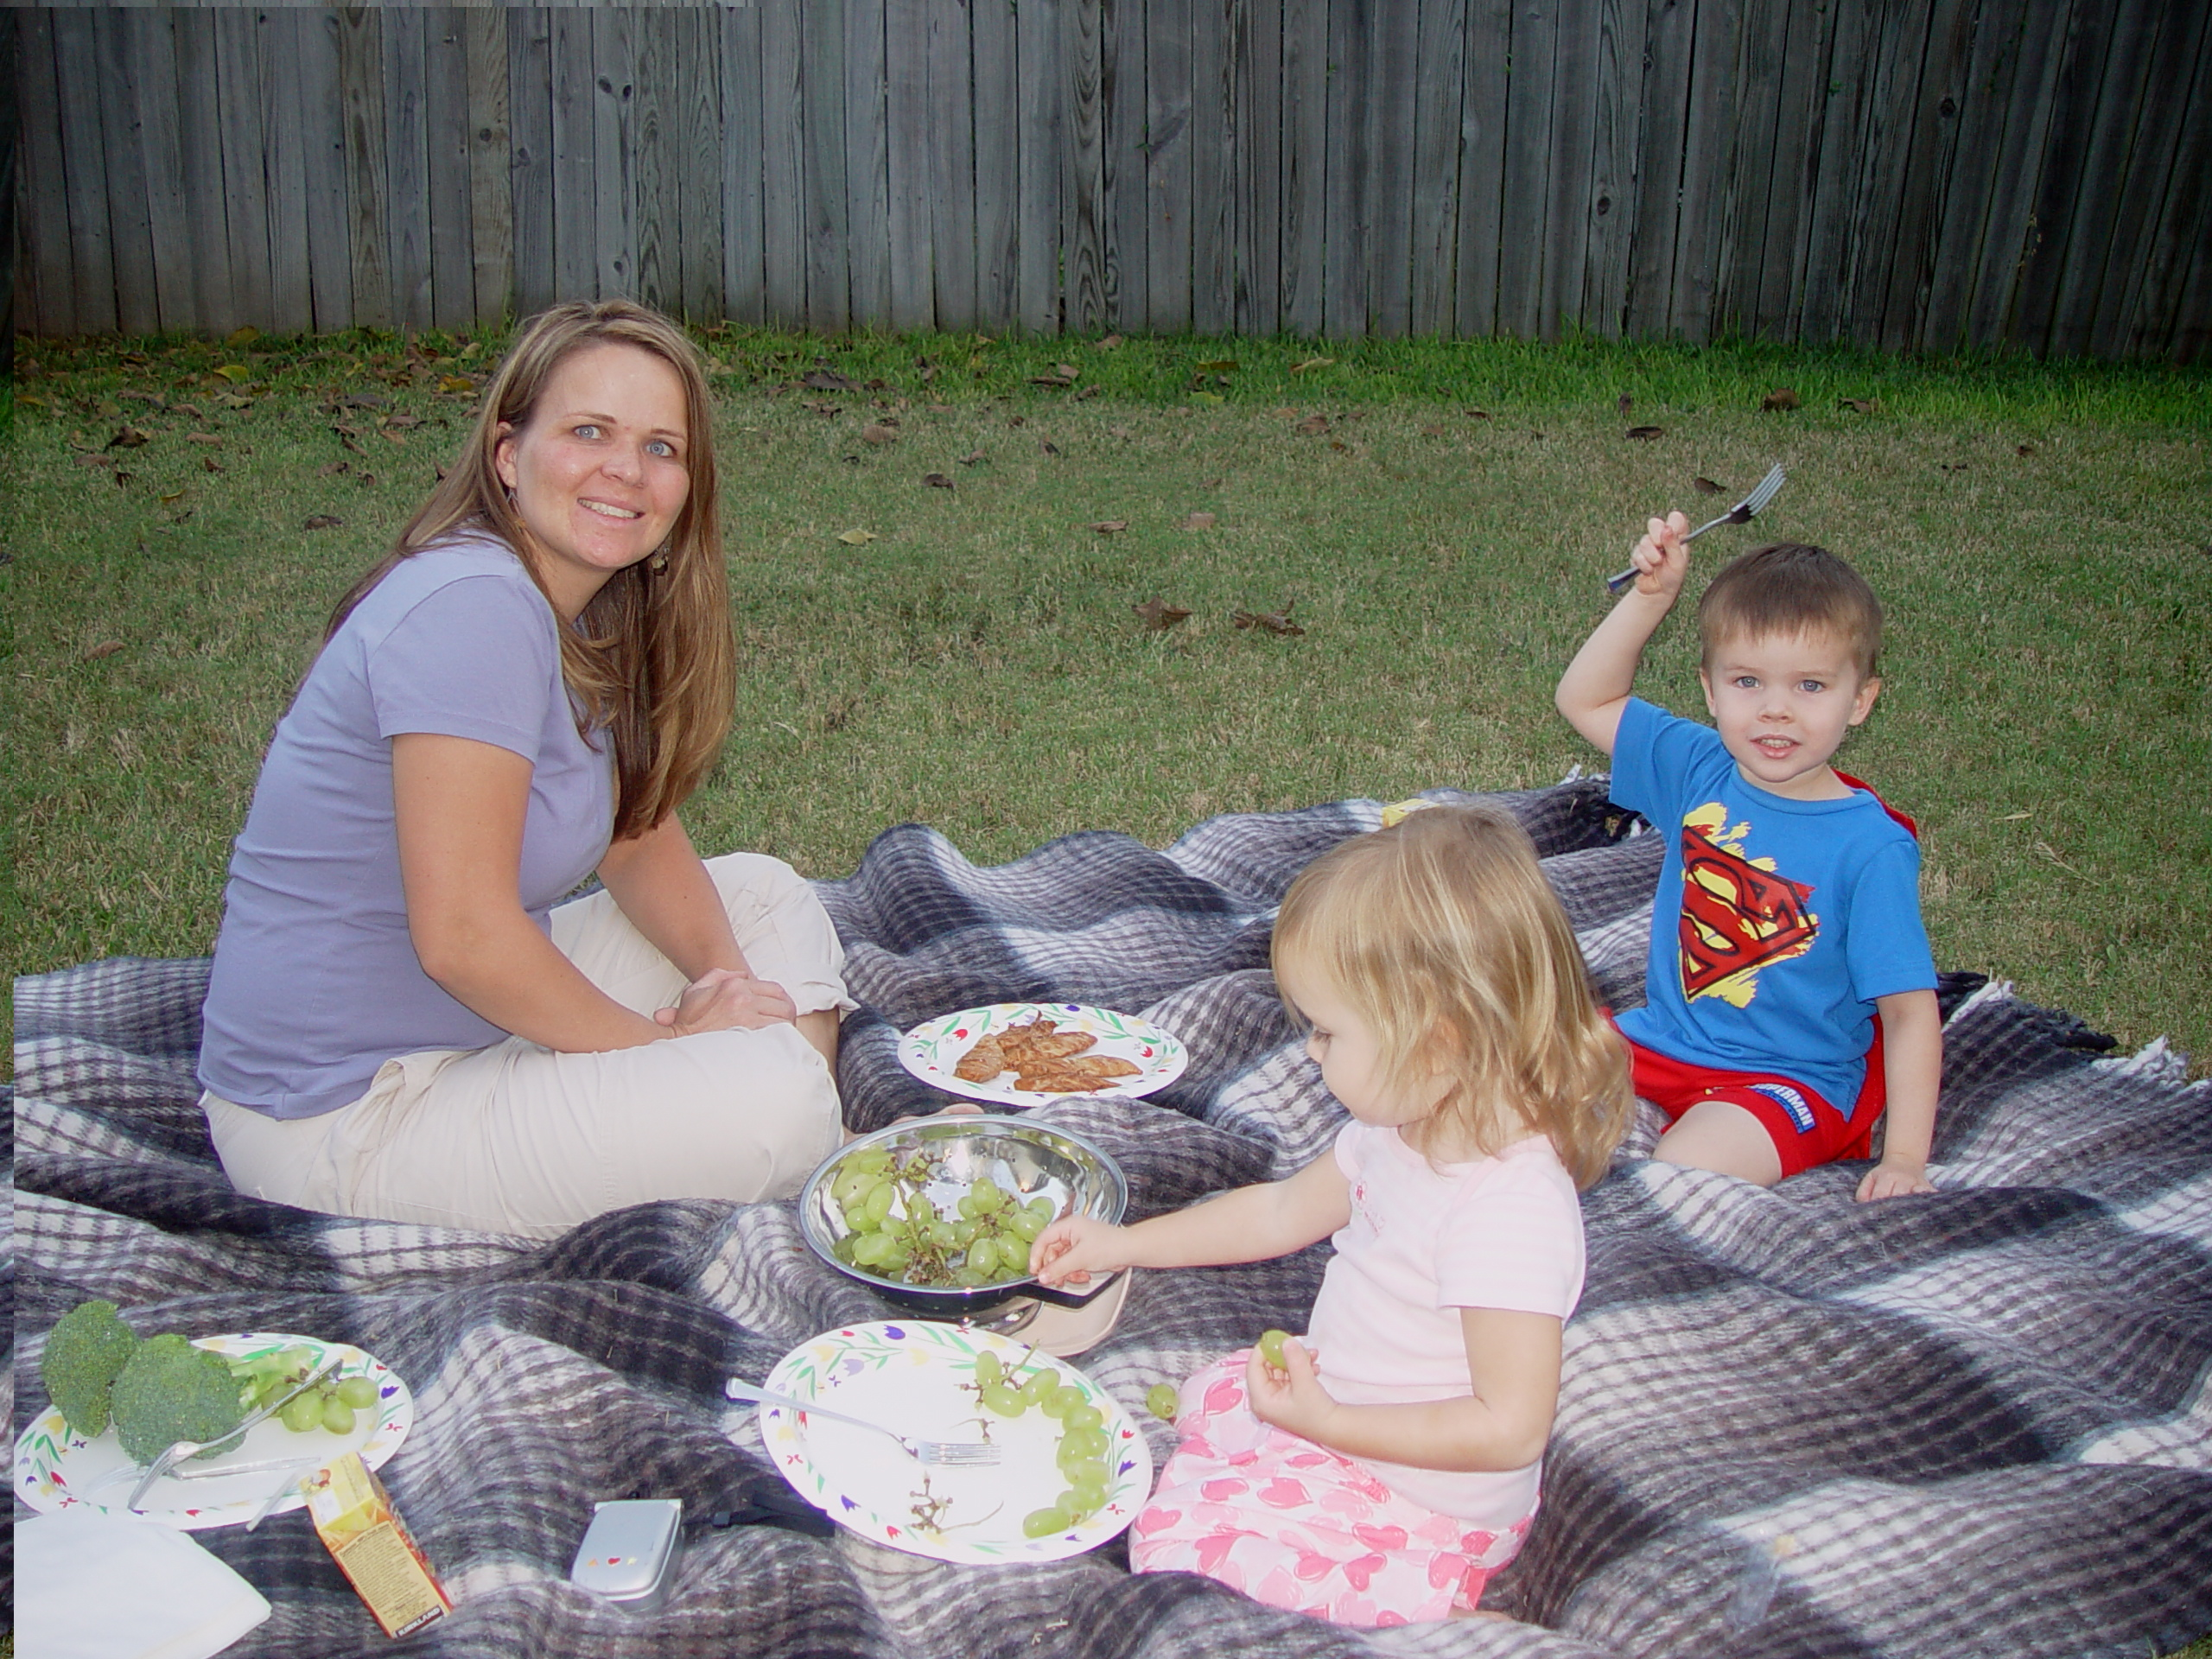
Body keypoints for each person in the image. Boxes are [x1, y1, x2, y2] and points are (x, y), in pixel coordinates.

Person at [197, 300, 853, 1240]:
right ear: (509, 454)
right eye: (590, 431)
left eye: (662, 447)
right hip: (345, 1115)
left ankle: (779, 1134)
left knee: (763, 896)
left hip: (467, 1031)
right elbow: (462, 939)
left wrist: (725, 992)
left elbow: (632, 836)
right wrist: (667, 1047)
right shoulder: (476, 606)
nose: (626, 470)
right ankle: (798, 1144)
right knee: (773, 1106)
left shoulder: (580, 602)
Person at [1029, 806, 1633, 1626]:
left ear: (1439, 1043)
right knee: (1217, 1401)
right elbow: (1278, 1211)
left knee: (1178, 1541)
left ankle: (1412, 1591)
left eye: (1327, 1031)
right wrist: (1122, 1242)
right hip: (1349, 1415)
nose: (1310, 1051)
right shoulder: (1397, 1132)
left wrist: (1336, 1424)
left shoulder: (1508, 1210)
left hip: (1424, 1501)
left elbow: (1511, 1428)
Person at [1555, 517, 1942, 1201]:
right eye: (1747, 682)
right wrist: (1650, 598)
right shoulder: (1698, 768)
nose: (1776, 712)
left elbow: (1910, 1013)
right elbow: (1584, 697)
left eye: (1810, 687)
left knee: (1678, 1177)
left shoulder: (1871, 846)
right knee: (1506, 1083)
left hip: (1790, 1081)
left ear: (1862, 701)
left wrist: (1906, 1158)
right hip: (1659, 1042)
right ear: (1709, 689)